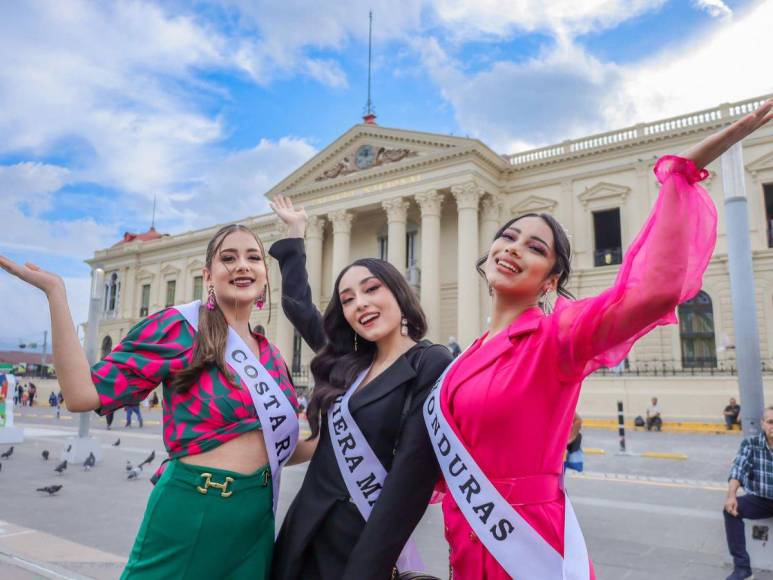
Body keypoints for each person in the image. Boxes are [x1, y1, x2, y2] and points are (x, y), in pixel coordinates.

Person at [424, 99, 771, 580]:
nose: (514, 248)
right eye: (508, 236)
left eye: (536, 247)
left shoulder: (556, 336)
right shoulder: (460, 360)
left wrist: (680, 173)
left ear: (551, 280)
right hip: (464, 544)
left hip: (527, 547)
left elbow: (656, 289)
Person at [0, 223, 317, 579]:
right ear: (208, 275)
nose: (242, 265)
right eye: (228, 258)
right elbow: (81, 394)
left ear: (265, 276)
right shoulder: (179, 328)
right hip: (193, 507)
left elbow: (279, 448)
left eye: (253, 257)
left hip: (255, 519)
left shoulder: (272, 356)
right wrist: (56, 294)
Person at [268, 196, 453, 580]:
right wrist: (296, 235)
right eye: (348, 299)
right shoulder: (347, 359)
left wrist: (367, 567)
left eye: (372, 289)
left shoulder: (429, 363)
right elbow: (299, 305)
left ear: (399, 294)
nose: (360, 304)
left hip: (362, 544)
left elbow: (410, 479)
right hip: (303, 529)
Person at [724, 406, 773, 580]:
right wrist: (731, 496)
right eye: (770, 422)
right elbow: (738, 469)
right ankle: (743, 569)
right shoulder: (750, 444)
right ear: (763, 424)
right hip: (760, 499)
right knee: (730, 509)